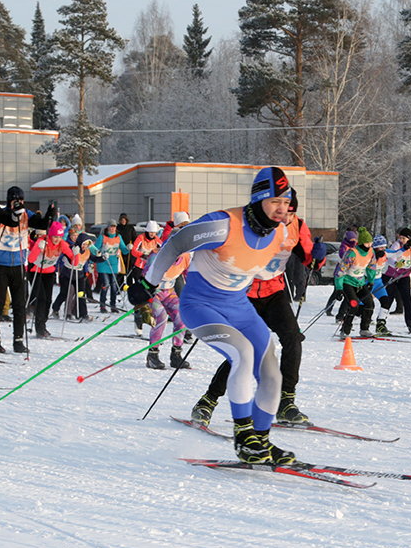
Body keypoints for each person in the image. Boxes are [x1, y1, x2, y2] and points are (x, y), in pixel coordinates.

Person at [131, 166, 300, 464]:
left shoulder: (281, 232)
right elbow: (176, 243)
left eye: (286, 203)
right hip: (200, 306)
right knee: (242, 353)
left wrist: (307, 255)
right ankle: (244, 436)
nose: (281, 209)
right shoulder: (223, 225)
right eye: (275, 201)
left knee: (271, 369)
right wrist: (148, 283)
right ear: (258, 198)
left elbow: (266, 268)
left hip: (239, 306)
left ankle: (260, 442)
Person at [190, 192, 313, 426]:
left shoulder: (298, 226)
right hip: (245, 295)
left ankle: (286, 402)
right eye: (282, 213)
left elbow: (307, 253)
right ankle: (208, 401)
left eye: (291, 213)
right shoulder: (256, 225)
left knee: (293, 339)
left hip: (274, 293)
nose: (286, 218)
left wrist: (315, 255)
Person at [0, 186, 36, 353]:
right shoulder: (1, 213)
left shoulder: (26, 214)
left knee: (20, 305)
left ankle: (18, 340)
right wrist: (10, 215)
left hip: (19, 264)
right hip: (0, 264)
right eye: (14, 201)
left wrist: (48, 218)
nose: (17, 203)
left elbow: (38, 222)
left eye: (20, 201)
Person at [26, 215, 72, 337]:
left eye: (59, 237)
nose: (57, 239)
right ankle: (39, 327)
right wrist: (38, 248)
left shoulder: (62, 244)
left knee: (48, 300)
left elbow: (73, 260)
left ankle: (43, 325)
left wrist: (77, 253)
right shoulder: (42, 241)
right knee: (41, 299)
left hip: (49, 273)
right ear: (50, 235)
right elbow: (31, 259)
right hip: (36, 271)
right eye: (55, 236)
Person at [334, 232, 379, 337]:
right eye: (367, 243)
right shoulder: (352, 253)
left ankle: (364, 328)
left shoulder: (371, 252)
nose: (369, 246)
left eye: (371, 243)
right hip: (347, 282)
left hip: (360, 283)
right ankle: (345, 330)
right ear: (362, 243)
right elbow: (340, 271)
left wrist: (371, 281)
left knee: (369, 303)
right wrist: (339, 288)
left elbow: (371, 267)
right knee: (354, 305)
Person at [380, 227, 411, 334]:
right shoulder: (396, 245)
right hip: (391, 275)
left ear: (409, 238)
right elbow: (390, 259)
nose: (401, 240)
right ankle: (381, 323)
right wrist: (396, 264)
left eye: (404, 238)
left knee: (407, 300)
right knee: (388, 299)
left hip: (404, 276)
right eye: (400, 238)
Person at [93, 220, 130, 314]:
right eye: (111, 227)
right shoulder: (102, 237)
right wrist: (96, 257)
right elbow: (94, 249)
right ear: (108, 227)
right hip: (103, 263)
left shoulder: (118, 237)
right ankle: (102, 305)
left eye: (114, 227)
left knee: (114, 286)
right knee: (105, 284)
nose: (112, 229)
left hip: (113, 264)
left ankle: (113, 306)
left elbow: (124, 250)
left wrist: (128, 248)